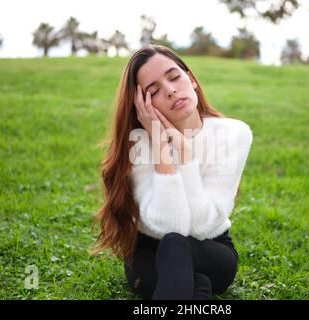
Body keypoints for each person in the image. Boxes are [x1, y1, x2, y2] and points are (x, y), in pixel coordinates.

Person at [92, 44, 253, 300]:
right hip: (149, 254)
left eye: (175, 77)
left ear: (191, 79)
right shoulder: (139, 144)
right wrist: (160, 148)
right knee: (192, 279)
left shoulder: (233, 134)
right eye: (154, 91)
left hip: (211, 250)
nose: (170, 90)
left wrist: (185, 155)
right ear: (142, 105)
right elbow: (169, 226)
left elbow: (200, 227)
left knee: (179, 248)